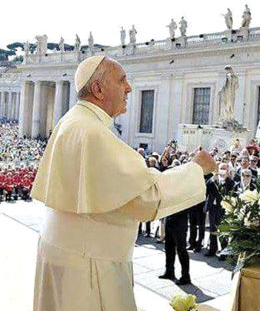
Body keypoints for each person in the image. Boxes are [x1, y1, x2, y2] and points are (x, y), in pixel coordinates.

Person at [31, 55, 217, 311]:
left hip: (69, 252)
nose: (129, 88)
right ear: (97, 89)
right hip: (89, 264)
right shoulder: (92, 132)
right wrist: (197, 170)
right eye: (121, 80)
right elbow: (143, 198)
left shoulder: (74, 122)